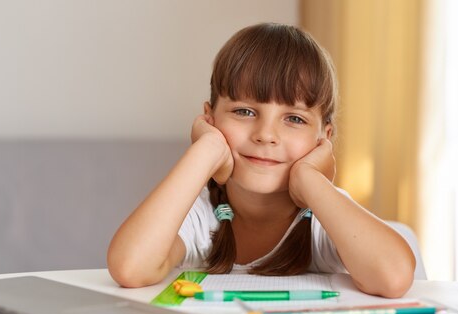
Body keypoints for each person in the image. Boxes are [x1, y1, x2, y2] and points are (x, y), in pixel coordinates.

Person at [108, 23, 415, 298]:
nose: (266, 135)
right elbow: (130, 268)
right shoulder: (201, 216)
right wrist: (206, 150)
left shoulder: (323, 218)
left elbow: (393, 277)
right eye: (244, 111)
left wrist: (311, 180)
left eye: (294, 118)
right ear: (210, 119)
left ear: (324, 138)